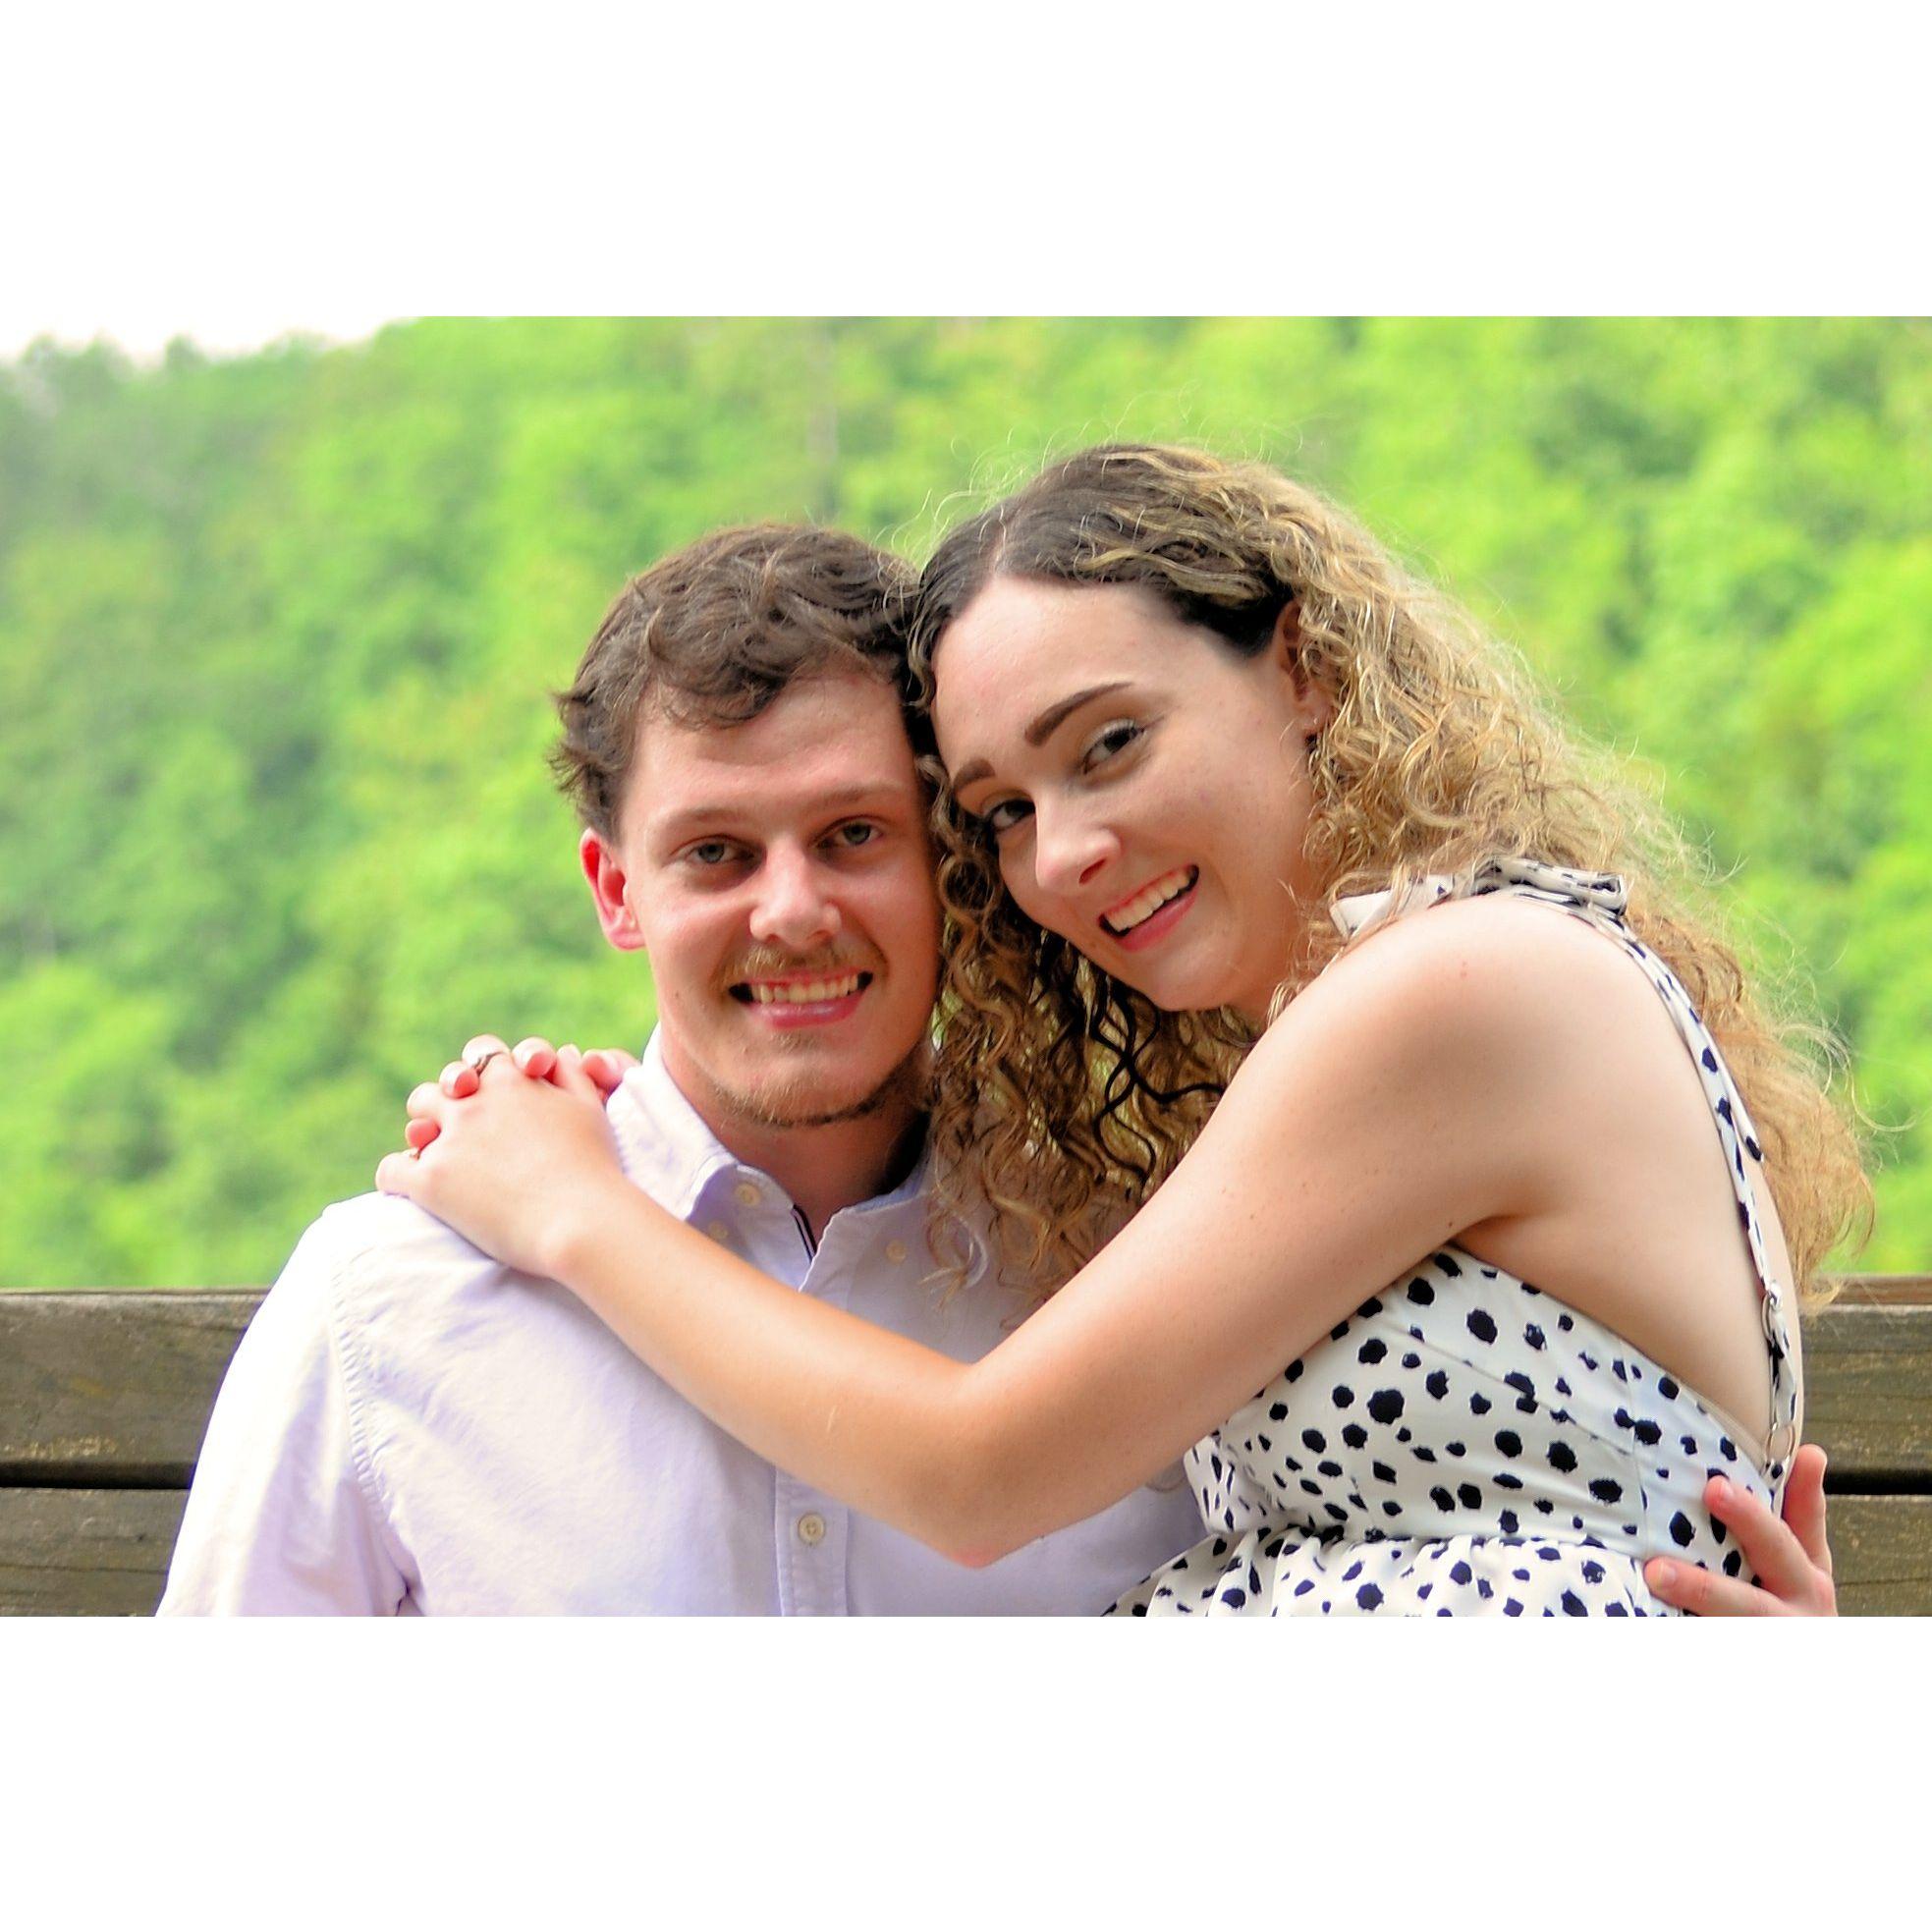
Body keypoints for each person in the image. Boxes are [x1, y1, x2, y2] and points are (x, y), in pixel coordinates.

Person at [382, 444, 1859, 1617]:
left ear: (1302, 671)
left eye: (1109, 743)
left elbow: (977, 1472)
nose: (1065, 852)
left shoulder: (1453, 988)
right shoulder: (1375, 1012)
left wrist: (576, 1209)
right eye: (1000, 812)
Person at [158, 524, 1204, 1614]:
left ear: (947, 858)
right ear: (615, 890)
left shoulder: (1121, 1255)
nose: (791, 911)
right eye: (715, 852)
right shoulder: (386, 1297)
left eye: (852, 833)